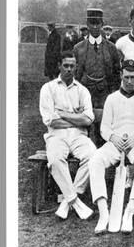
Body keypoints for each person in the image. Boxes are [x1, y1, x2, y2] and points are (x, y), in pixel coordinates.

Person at [88, 59, 134, 234]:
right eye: (126, 78)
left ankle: (129, 212)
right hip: (115, 144)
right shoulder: (112, 99)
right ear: (120, 76)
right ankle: (104, 213)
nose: (130, 81)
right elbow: (104, 128)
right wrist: (113, 137)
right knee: (95, 160)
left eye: (133, 77)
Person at [39, 52, 96, 220]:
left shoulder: (83, 90)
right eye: (66, 65)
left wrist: (62, 113)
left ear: (76, 67)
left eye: (72, 66)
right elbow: (51, 121)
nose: (69, 69)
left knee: (93, 157)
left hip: (79, 136)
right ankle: (75, 202)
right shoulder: (48, 88)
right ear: (59, 66)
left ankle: (66, 202)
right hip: (57, 136)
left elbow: (88, 119)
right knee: (55, 160)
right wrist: (76, 118)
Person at [74, 7, 123, 147]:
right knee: (84, 132)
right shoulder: (78, 48)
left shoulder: (111, 48)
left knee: (104, 131)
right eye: (92, 23)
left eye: (98, 23)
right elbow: (75, 76)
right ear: (87, 25)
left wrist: (113, 93)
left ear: (102, 24)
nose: (95, 27)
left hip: (105, 94)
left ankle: (103, 162)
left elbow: (116, 73)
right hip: (86, 94)